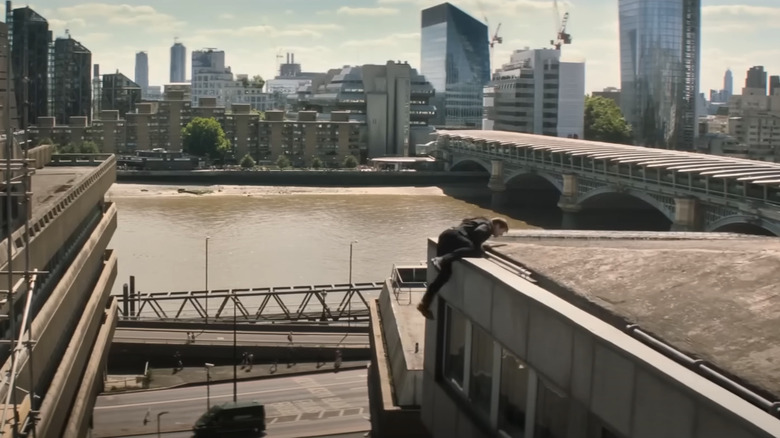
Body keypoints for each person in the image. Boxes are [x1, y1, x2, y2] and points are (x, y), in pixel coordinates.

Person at [417, 217, 509, 319]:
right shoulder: (488, 226)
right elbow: (478, 233)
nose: (500, 234)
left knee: (444, 275)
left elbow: (468, 228)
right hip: (454, 237)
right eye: (502, 231)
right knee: (474, 250)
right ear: (497, 225)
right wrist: (480, 249)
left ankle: (424, 304)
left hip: (447, 236)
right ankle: (441, 259)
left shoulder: (480, 220)